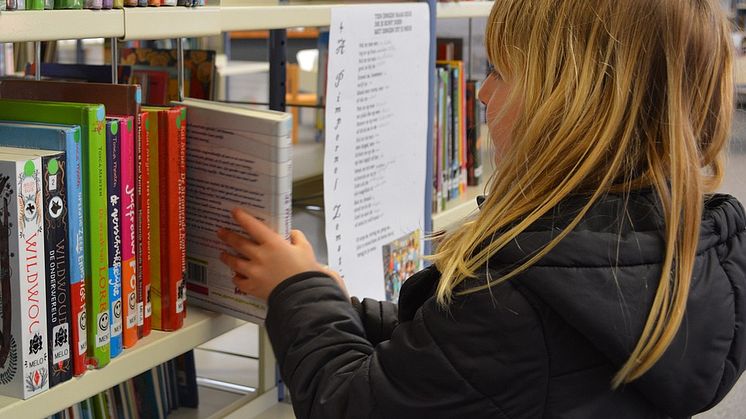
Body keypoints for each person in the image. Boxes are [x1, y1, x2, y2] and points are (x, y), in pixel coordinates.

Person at [216, 0, 746, 417]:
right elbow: (454, 351)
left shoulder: (516, 291)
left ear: (571, 103)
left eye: (500, 72)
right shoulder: (669, 242)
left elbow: (351, 403)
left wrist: (296, 293)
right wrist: (333, 303)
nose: (483, 93)